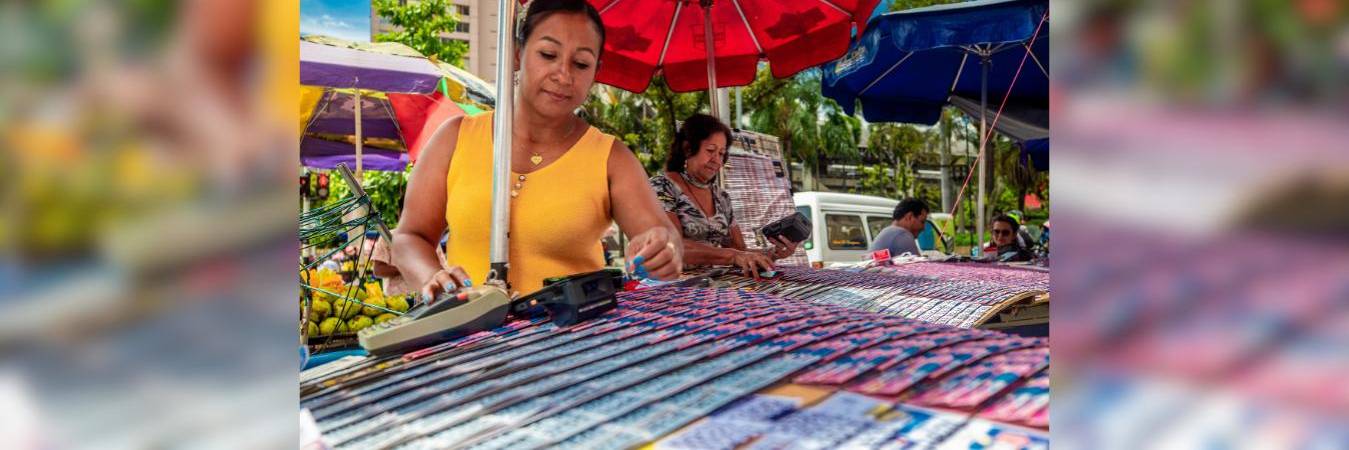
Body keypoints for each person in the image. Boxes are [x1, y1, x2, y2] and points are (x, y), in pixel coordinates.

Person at [393, 0, 683, 299]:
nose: (563, 75)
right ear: (518, 54)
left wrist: (663, 247)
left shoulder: (612, 158)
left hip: (576, 338)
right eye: (548, 54)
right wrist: (433, 279)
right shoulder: (454, 138)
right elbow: (408, 237)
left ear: (596, 71)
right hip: (470, 338)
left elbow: (661, 234)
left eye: (581, 63)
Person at [648, 114, 798, 278]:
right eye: (711, 151)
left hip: (710, 287)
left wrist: (774, 253)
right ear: (688, 148)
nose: (717, 161)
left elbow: (740, 251)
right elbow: (672, 246)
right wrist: (732, 256)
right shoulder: (662, 187)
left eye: (721, 153)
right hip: (669, 286)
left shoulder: (721, 197)